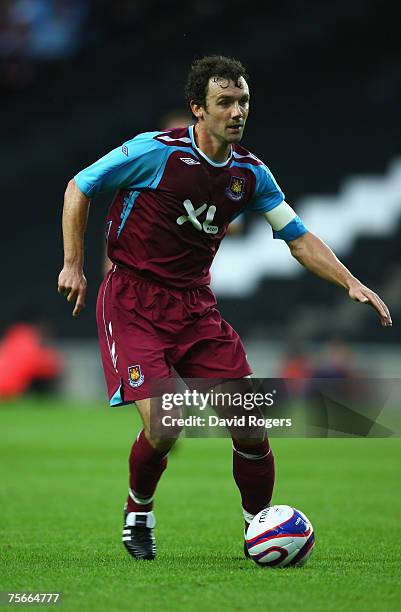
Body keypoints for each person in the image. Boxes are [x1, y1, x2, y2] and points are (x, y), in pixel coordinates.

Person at [58, 55, 392, 561]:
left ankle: (258, 528)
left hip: (195, 306)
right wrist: (73, 265)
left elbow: (297, 236)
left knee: (252, 426)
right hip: (132, 299)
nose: (237, 112)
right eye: (225, 103)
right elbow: (79, 186)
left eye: (244, 102)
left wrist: (351, 282)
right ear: (198, 108)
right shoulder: (155, 153)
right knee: (166, 425)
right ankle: (139, 509)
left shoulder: (251, 173)